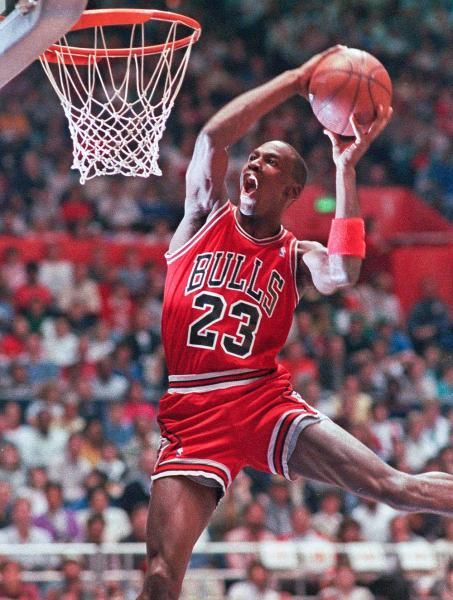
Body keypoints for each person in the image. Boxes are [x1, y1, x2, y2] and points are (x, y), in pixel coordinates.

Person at [136, 46, 453, 600]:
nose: (254, 165)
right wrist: (294, 79)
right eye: (253, 157)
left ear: (290, 192)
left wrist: (345, 167)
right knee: (162, 578)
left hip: (262, 400)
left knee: (393, 487)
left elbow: (345, 271)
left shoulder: (295, 252)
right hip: (194, 412)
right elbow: (212, 138)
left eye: (270, 162)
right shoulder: (203, 216)